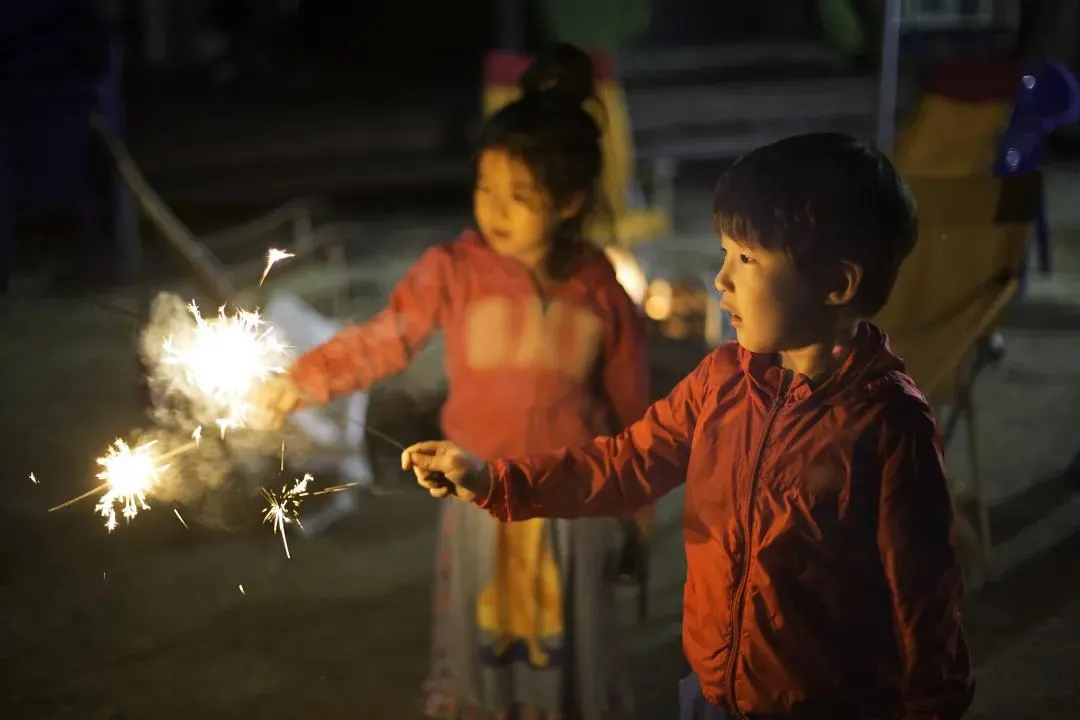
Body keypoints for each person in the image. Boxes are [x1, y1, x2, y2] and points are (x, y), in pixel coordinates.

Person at [401, 134, 976, 720]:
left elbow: (924, 595)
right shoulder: (721, 383)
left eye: (747, 259)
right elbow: (622, 465)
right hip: (710, 693)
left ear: (838, 284)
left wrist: (934, 705)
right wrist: (492, 480)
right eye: (725, 252)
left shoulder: (887, 425)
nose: (721, 278)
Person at [252, 43, 652, 720]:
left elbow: (634, 403)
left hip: (571, 502)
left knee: (570, 645)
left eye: (520, 197)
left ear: (570, 200)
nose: (495, 209)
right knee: (484, 643)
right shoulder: (453, 269)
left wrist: (637, 511)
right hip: (478, 493)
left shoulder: (599, 288)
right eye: (485, 188)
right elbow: (387, 337)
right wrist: (305, 378)